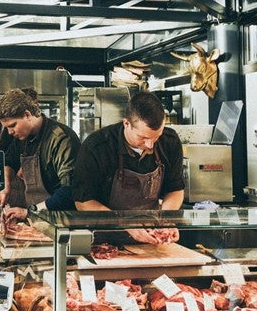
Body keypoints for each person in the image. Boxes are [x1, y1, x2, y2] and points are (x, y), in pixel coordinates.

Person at [71, 91, 184, 244]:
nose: (150, 145)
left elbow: (174, 189)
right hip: (105, 240)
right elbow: (83, 202)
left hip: (152, 239)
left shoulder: (170, 141)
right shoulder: (97, 147)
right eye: (143, 137)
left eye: (156, 136)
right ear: (126, 123)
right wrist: (124, 222)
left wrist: (165, 220)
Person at [0, 87, 80, 224]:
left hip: (61, 219)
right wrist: (6, 185)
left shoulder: (61, 139)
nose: (10, 132)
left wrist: (31, 211)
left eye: (13, 125)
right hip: (37, 218)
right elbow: (10, 161)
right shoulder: (23, 137)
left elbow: (70, 190)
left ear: (27, 115)